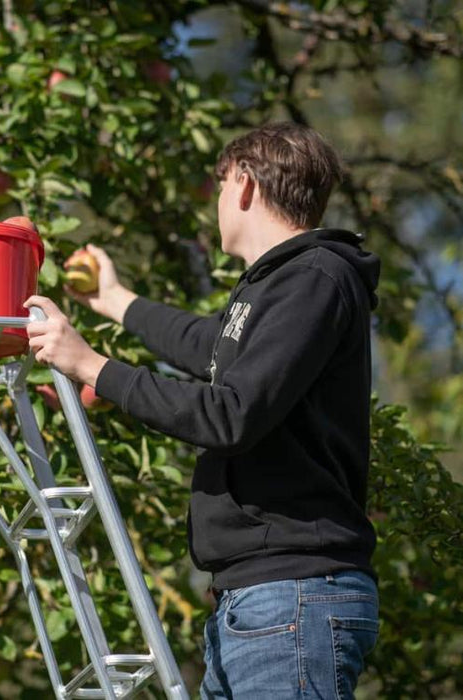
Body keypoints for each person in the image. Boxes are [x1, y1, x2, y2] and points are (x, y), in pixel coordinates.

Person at [24, 121, 380, 699]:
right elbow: (209, 346)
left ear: (242, 183)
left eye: (219, 188)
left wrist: (90, 366)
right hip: (260, 600)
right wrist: (114, 301)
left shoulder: (316, 276)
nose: (217, 203)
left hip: (293, 595)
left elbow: (229, 414)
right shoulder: (278, 287)